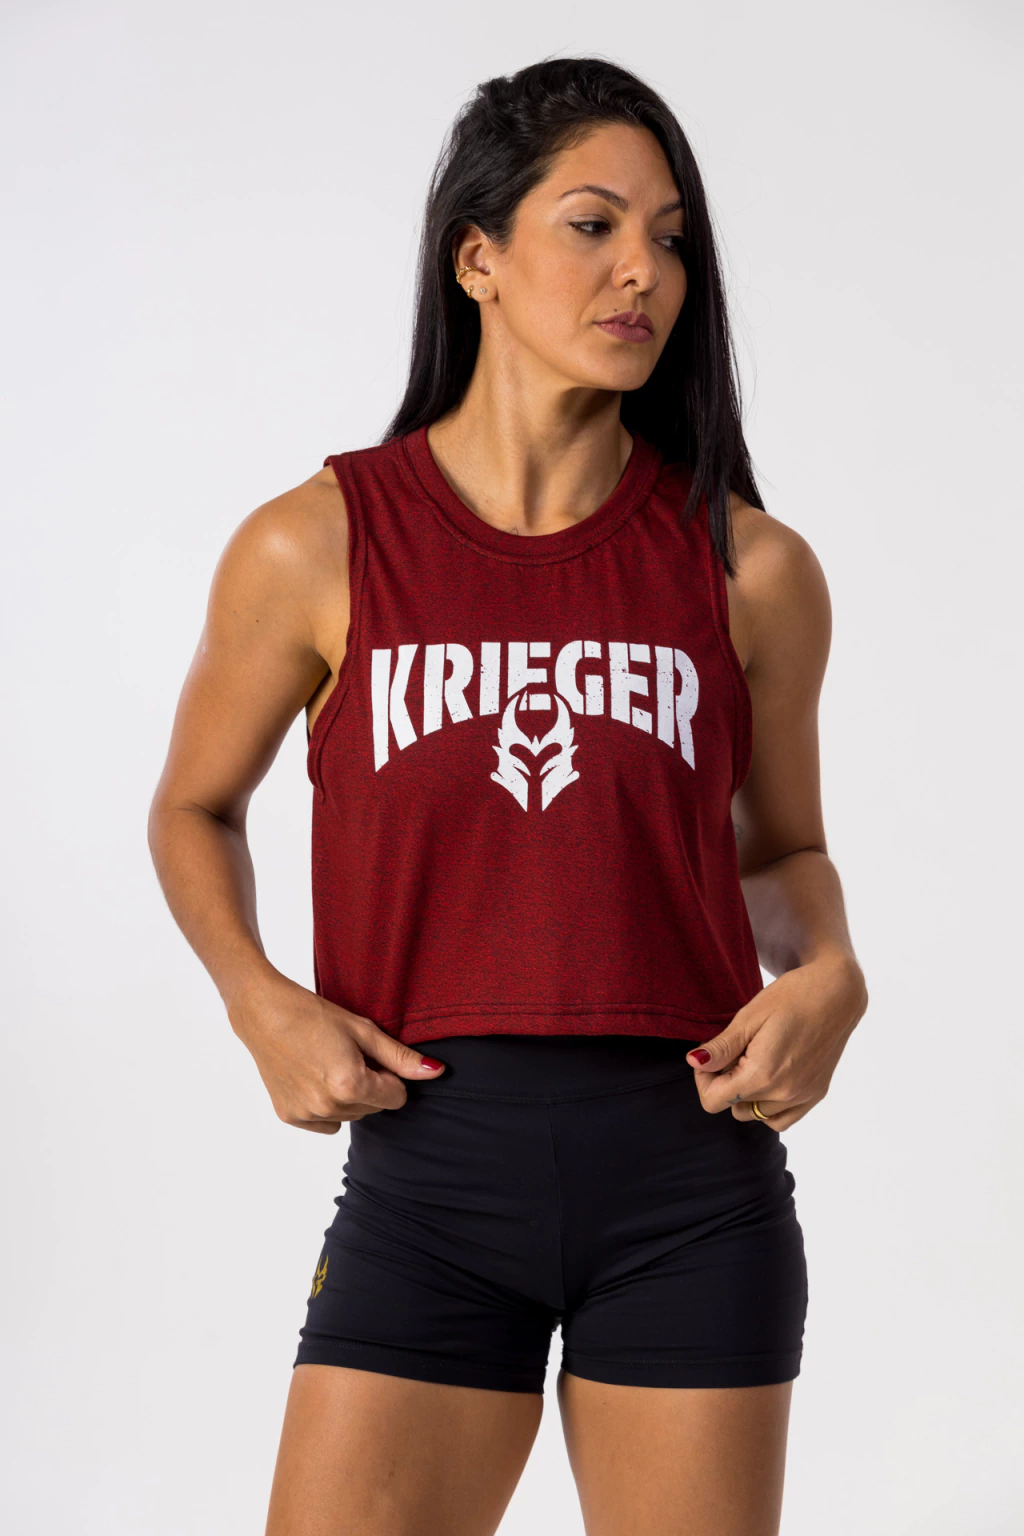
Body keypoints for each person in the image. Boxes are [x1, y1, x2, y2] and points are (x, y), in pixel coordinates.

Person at [148, 56, 868, 1536]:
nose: (643, 272)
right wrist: (255, 997)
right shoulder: (317, 546)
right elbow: (194, 807)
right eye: (593, 226)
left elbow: (782, 848)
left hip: (692, 1188)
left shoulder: (752, 569)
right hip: (429, 1186)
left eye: (671, 239)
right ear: (476, 256)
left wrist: (832, 971)